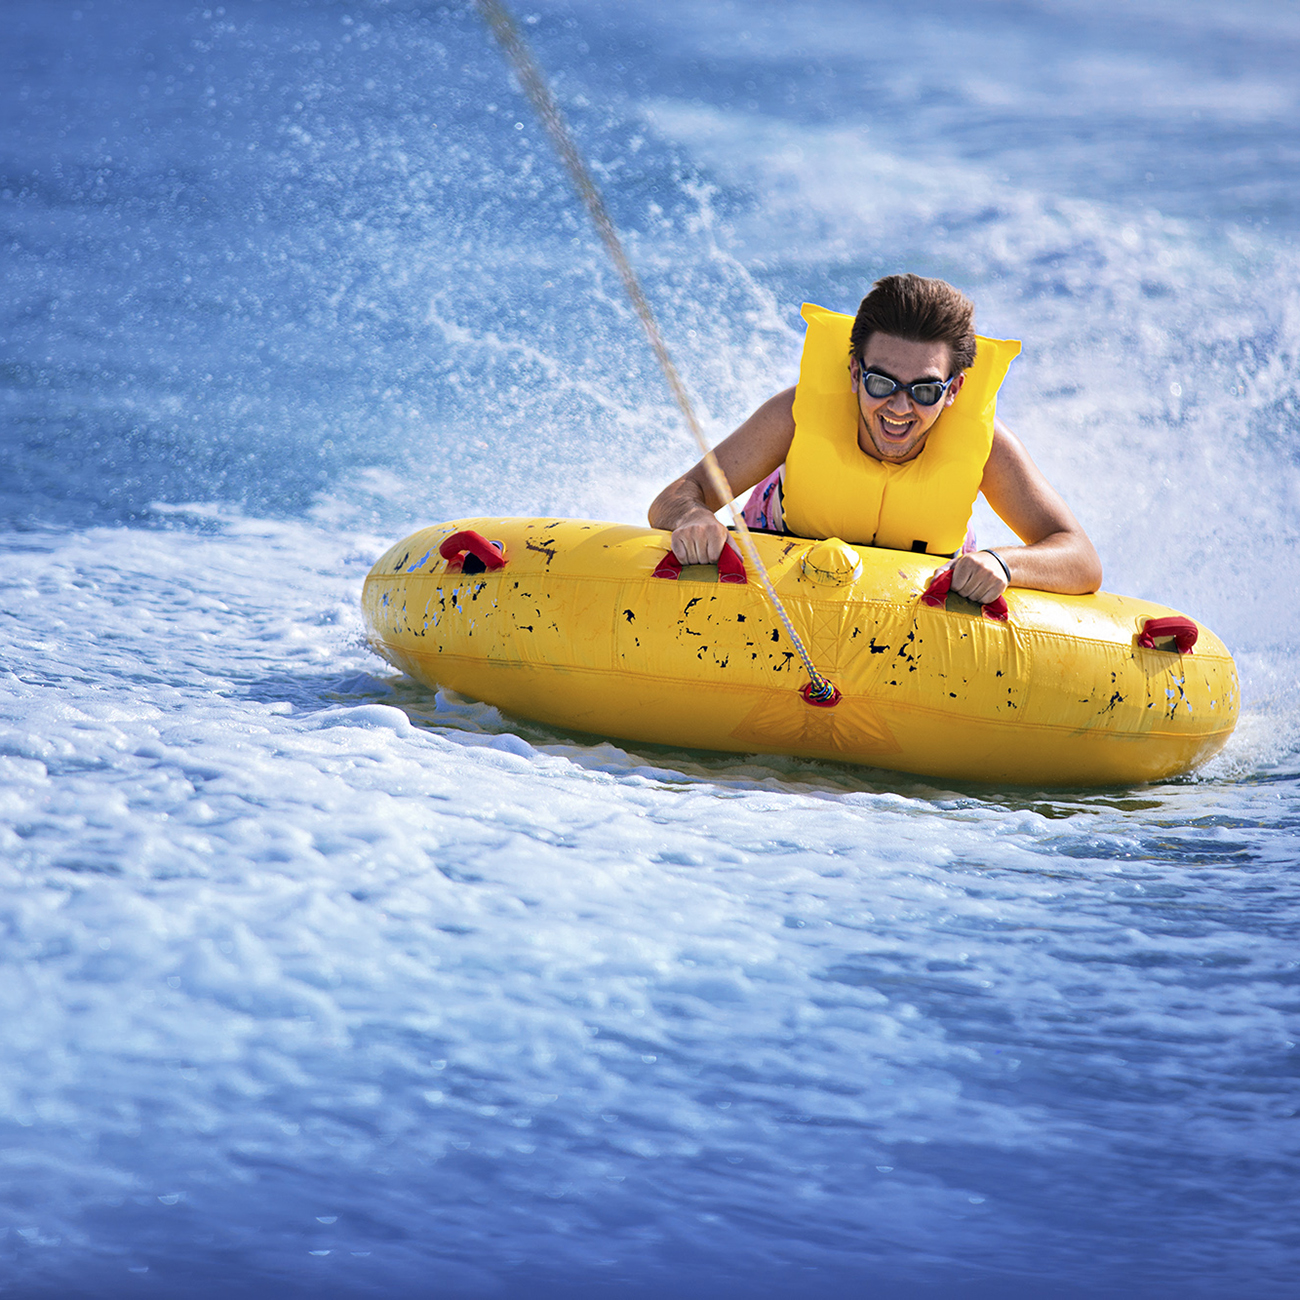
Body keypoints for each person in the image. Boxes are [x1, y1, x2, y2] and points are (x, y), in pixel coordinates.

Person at [648, 274, 1102, 604]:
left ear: (954, 391)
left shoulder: (988, 447)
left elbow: (1081, 559)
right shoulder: (794, 415)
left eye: (925, 390)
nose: (900, 407)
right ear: (854, 372)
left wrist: (1004, 564)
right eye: (881, 383)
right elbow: (676, 496)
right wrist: (694, 516)